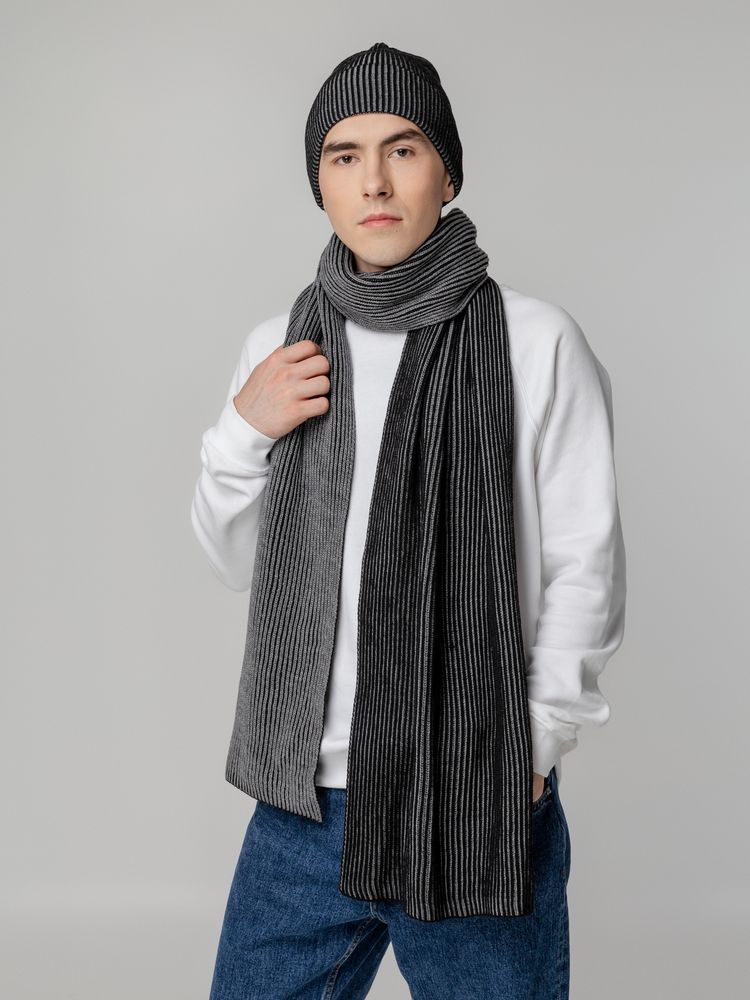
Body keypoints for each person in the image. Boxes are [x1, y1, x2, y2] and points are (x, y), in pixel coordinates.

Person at [191, 41, 626, 1000]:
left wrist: (533, 746)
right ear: (319, 183)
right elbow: (235, 560)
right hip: (303, 805)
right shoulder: (280, 350)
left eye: (403, 148)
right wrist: (243, 431)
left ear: (448, 172)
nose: (375, 181)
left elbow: (585, 563)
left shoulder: (535, 342)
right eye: (344, 155)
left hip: (468, 791)